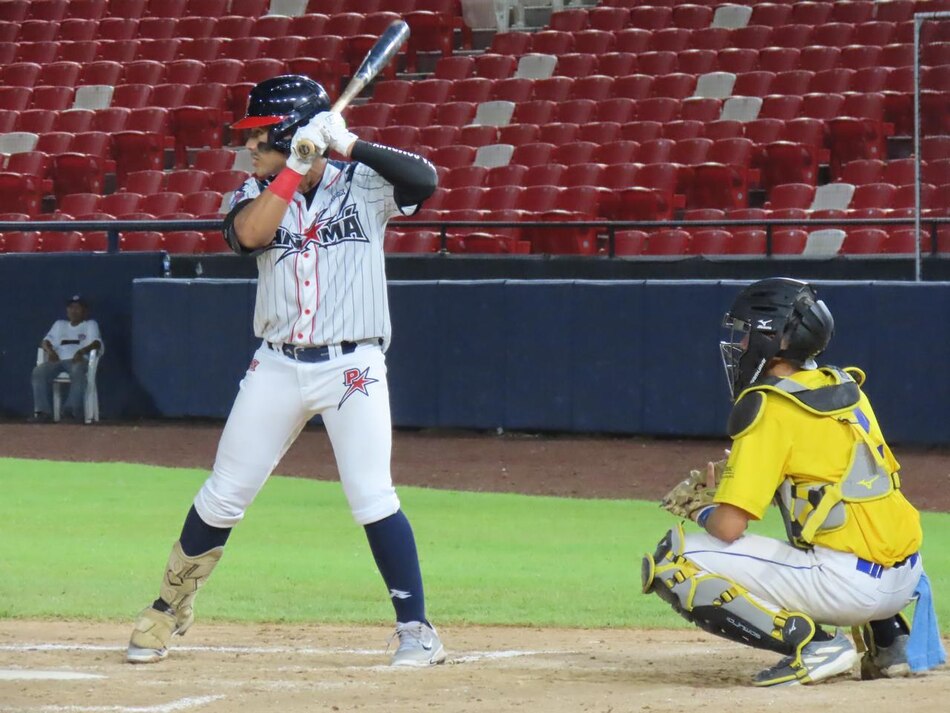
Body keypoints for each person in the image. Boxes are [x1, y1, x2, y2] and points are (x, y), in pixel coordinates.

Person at [127, 75, 445, 667]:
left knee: (372, 495)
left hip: (353, 364)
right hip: (277, 364)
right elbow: (248, 237)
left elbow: (425, 180)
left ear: (292, 130)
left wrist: (345, 145)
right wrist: (293, 166)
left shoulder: (364, 186)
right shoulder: (251, 192)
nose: (250, 148)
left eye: (260, 137)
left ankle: (416, 629)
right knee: (223, 495)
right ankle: (169, 608)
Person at [642, 278, 929, 686]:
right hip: (907, 579)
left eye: (745, 335)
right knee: (839, 518)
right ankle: (890, 640)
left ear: (771, 341)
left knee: (674, 559)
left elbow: (728, 527)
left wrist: (701, 508)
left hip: (848, 588)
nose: (740, 346)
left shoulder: (770, 406)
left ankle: (813, 646)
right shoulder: (845, 386)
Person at [30, 294, 102, 423]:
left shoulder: (90, 324)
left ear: (84, 311)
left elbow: (96, 343)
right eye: (71, 308)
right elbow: (45, 342)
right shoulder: (59, 325)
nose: (73, 311)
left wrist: (82, 351)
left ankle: (70, 412)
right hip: (58, 360)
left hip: (78, 360)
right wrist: (50, 351)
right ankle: (43, 413)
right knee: (38, 372)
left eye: (77, 308)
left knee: (77, 371)